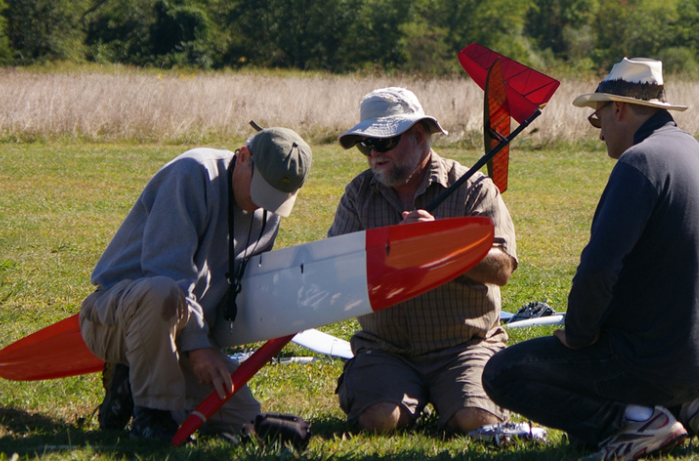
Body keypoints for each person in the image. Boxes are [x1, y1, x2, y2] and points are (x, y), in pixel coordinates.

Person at [482, 58, 699, 460]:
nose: (599, 131)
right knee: (579, 435)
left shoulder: (639, 164)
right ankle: (693, 407)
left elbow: (598, 269)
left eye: (597, 118)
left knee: (502, 373)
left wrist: (579, 334)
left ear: (618, 109)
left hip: (648, 359)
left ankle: (636, 423)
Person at [80, 126, 312, 440]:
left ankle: (131, 383)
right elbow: (166, 272)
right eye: (261, 191)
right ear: (243, 157)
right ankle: (153, 416)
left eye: (275, 199)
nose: (262, 206)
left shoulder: (268, 216)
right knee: (162, 292)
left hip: (185, 333)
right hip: (118, 316)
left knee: (243, 417)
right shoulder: (191, 174)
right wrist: (199, 346)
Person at [328, 87, 517, 435]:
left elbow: (502, 268)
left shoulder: (474, 188)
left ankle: (459, 397)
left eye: (382, 142)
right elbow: (335, 270)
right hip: (386, 350)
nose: (373, 154)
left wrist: (442, 246)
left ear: (418, 135)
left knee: (477, 421)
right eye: (365, 145)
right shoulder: (358, 194)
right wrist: (390, 252)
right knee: (378, 420)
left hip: (465, 347)